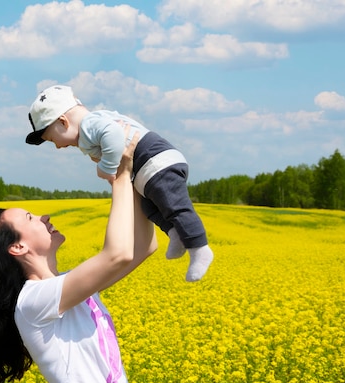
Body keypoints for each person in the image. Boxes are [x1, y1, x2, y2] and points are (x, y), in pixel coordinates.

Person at [0, 131, 156, 383]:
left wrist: (136, 179)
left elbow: (144, 247)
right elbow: (118, 254)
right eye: (30, 218)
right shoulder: (33, 301)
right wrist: (119, 175)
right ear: (17, 247)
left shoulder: (65, 289)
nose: (44, 217)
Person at [25, 84, 213, 282]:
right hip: (145, 171)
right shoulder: (94, 122)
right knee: (149, 207)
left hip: (156, 163)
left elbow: (114, 135)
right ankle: (175, 233)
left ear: (63, 122)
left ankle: (199, 248)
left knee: (175, 206)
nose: (57, 146)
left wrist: (107, 167)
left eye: (52, 139)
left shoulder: (89, 124)